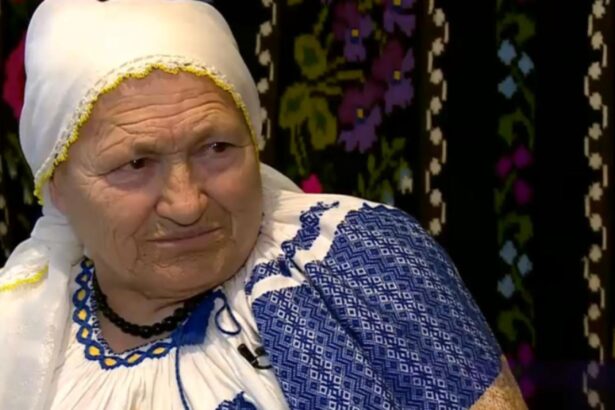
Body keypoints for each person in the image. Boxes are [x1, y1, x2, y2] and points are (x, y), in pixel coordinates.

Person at [0, 0, 526, 409]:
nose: (186, 203)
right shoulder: (20, 337)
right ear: (57, 185)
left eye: (217, 148)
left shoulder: (358, 260)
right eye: (136, 164)